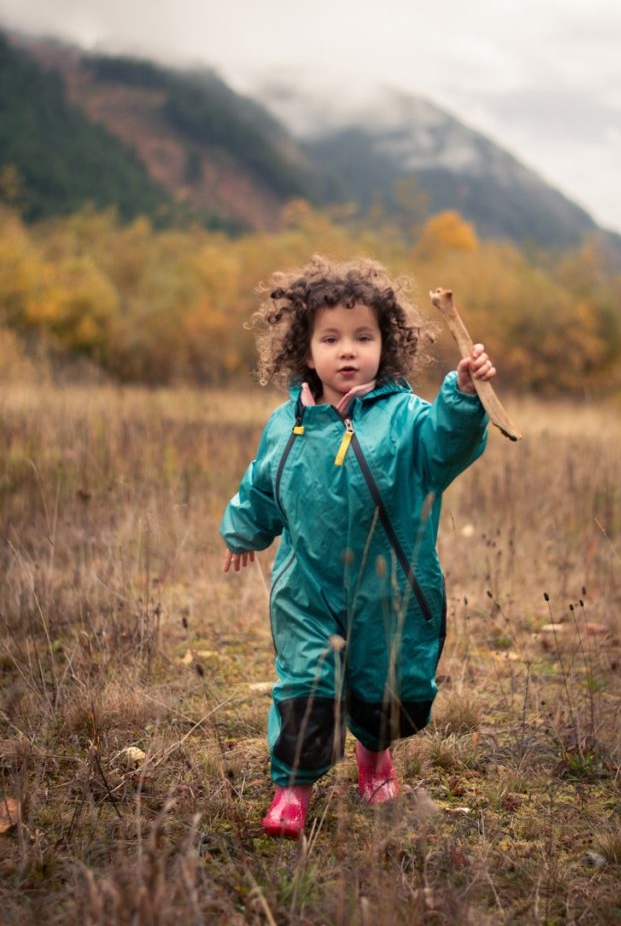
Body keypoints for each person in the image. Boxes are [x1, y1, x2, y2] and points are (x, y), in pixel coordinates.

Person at [220, 255, 495, 839]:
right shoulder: (287, 423)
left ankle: (374, 758)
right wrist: (244, 530)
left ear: (385, 345)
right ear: (306, 349)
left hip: (388, 585)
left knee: (387, 684)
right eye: (332, 338)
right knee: (306, 684)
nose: (348, 350)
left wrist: (463, 395)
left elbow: (446, 445)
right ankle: (292, 788)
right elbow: (264, 483)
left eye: (363, 337)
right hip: (307, 586)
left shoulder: (405, 418)